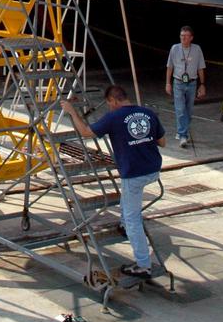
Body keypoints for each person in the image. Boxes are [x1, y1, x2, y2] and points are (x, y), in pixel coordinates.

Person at [61, 83, 166, 279]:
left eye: (109, 103)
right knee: (128, 207)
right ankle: (125, 226)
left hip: (133, 173)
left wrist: (71, 112)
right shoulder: (147, 113)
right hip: (153, 169)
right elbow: (162, 142)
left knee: (133, 218)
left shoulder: (114, 117)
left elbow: (85, 133)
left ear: (115, 100)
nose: (109, 107)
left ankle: (143, 264)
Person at [165, 25, 206, 147]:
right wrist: (167, 83)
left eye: (186, 36)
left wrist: (202, 85)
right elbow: (169, 67)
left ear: (191, 38)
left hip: (192, 82)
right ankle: (183, 135)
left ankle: (182, 130)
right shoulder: (174, 48)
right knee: (180, 109)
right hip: (178, 82)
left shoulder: (197, 49)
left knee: (188, 110)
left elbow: (201, 68)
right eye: (181, 35)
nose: (183, 38)